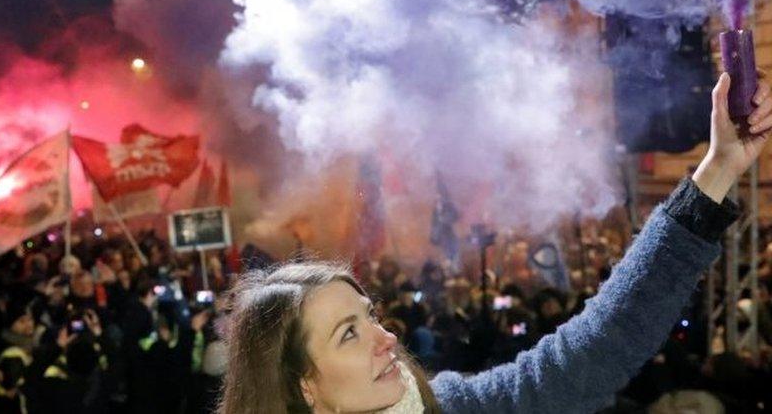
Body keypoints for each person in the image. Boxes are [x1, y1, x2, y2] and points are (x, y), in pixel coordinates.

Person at [218, 71, 772, 413]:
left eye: (369, 317)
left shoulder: (447, 406)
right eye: (347, 334)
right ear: (304, 386)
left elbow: (597, 347)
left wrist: (717, 171)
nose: (385, 338)